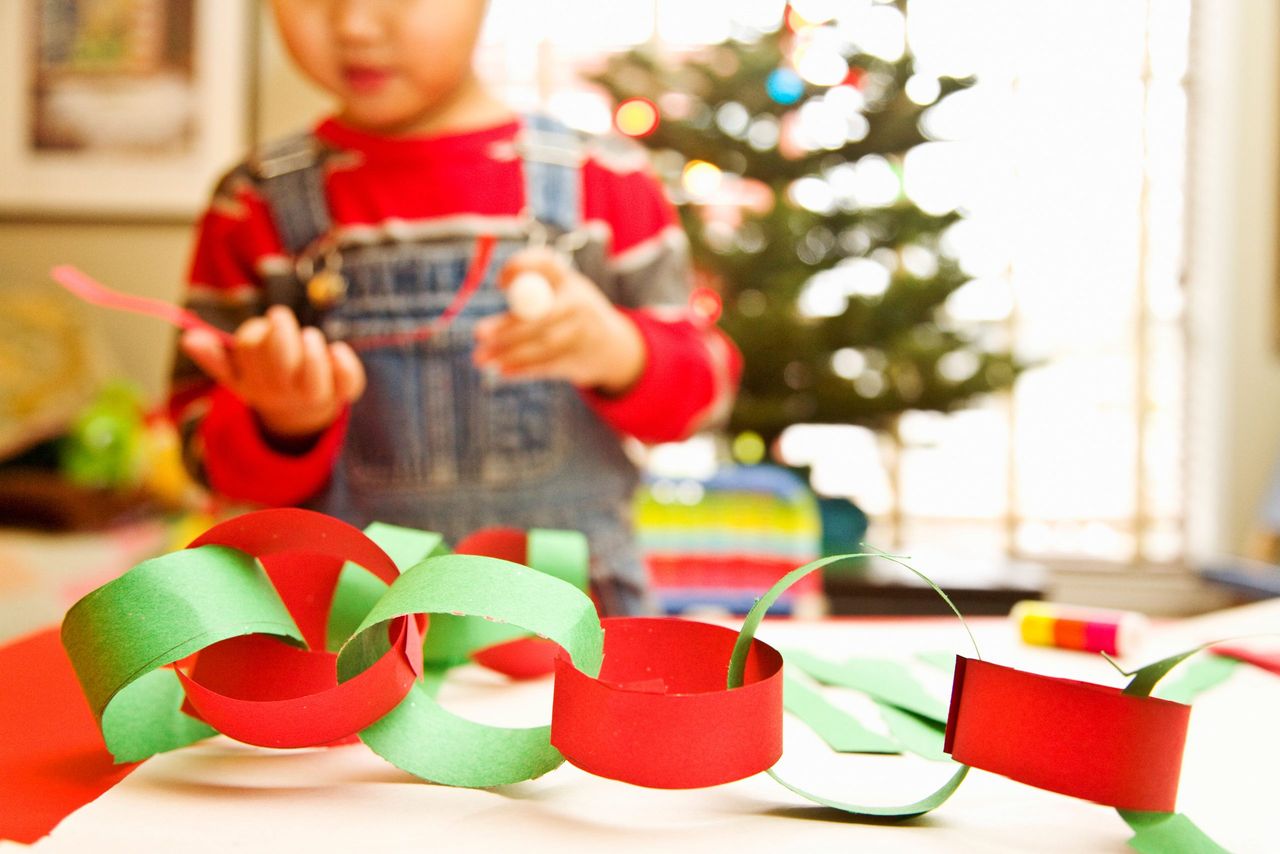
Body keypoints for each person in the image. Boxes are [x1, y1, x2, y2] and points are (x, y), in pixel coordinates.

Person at [168, 0, 740, 615]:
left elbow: (706, 396)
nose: (355, 25)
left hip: (574, 648)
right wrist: (281, 424)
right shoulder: (253, 205)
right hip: (351, 653)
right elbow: (203, 455)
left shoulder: (607, 180)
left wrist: (622, 354)